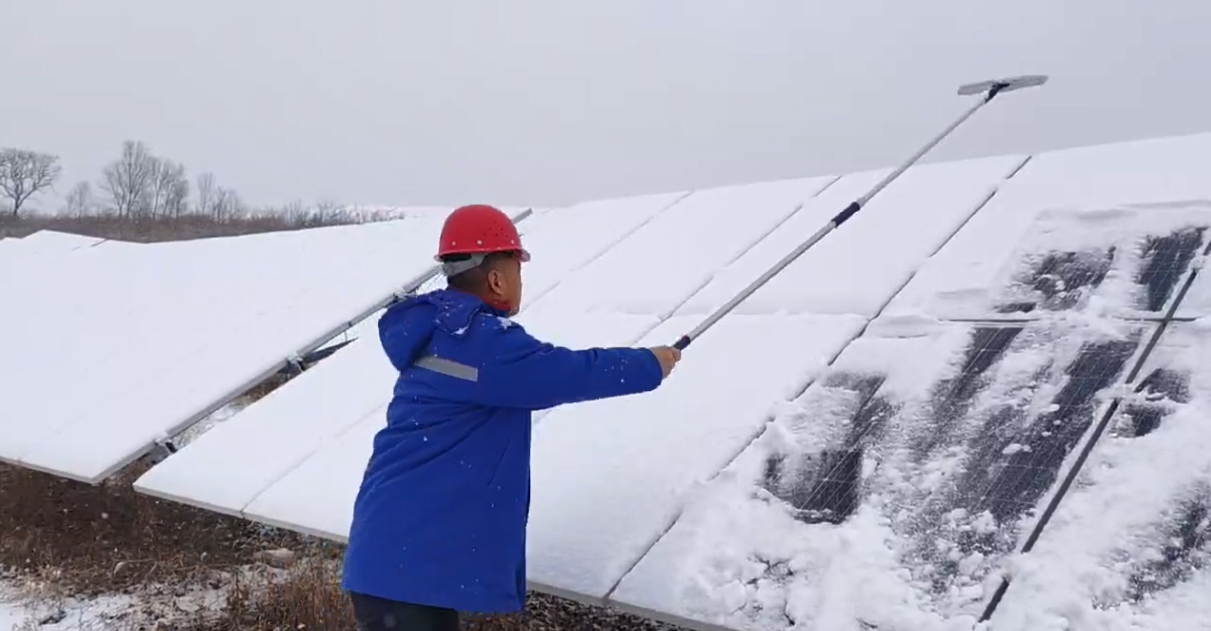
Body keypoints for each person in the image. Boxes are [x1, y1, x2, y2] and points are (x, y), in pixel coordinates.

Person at [341, 204, 682, 631]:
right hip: (408, 567)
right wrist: (650, 364)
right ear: (496, 278)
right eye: (518, 270)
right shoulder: (478, 342)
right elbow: (565, 373)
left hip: (397, 557)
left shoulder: (443, 332)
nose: (521, 281)